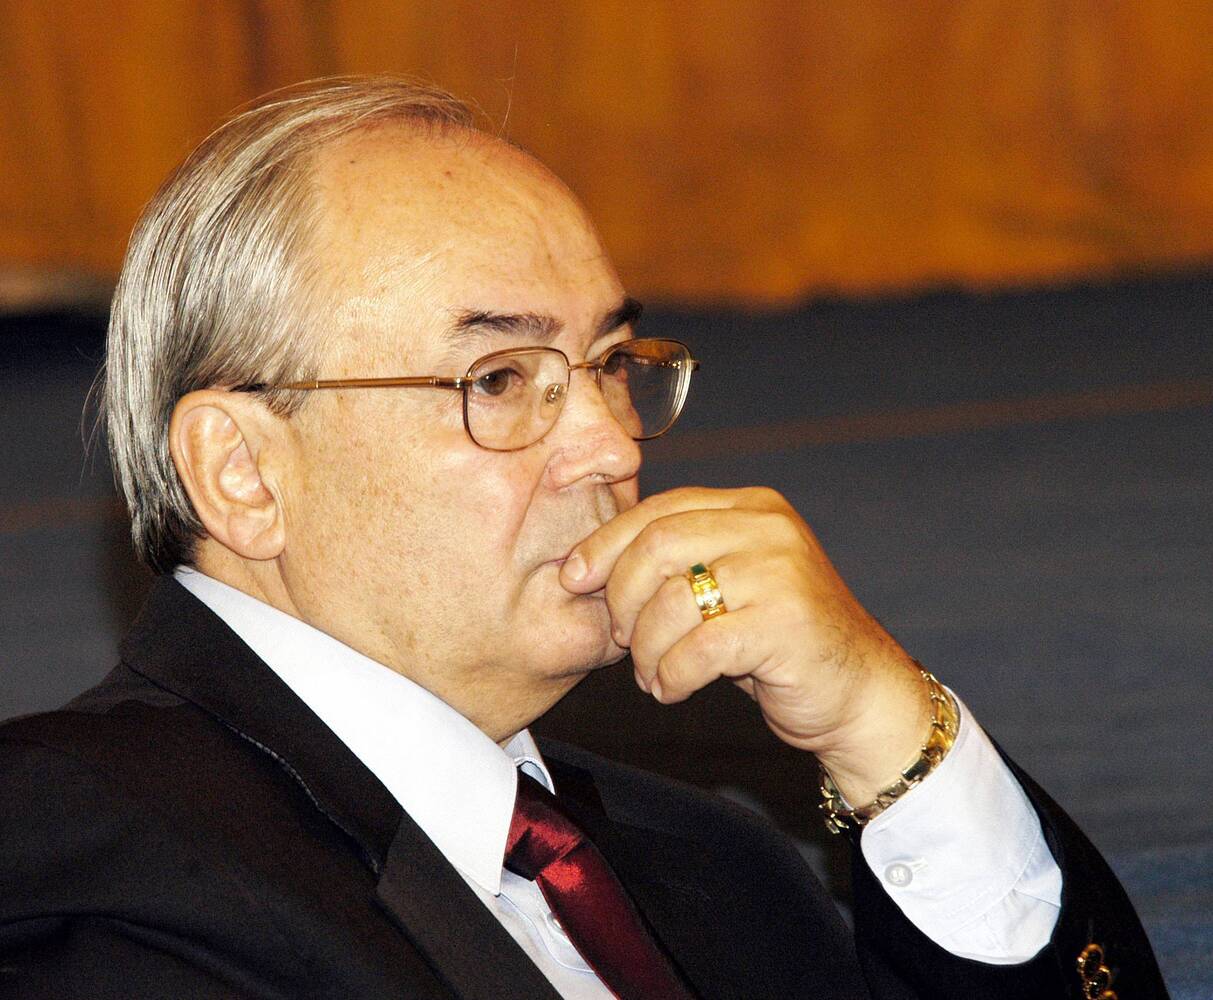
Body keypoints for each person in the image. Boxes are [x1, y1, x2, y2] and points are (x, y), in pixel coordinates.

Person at [0, 76, 1166, 999]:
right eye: (500, 378)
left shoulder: (709, 864)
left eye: (608, 364)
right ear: (243, 473)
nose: (611, 443)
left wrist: (886, 734)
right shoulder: (70, 852)